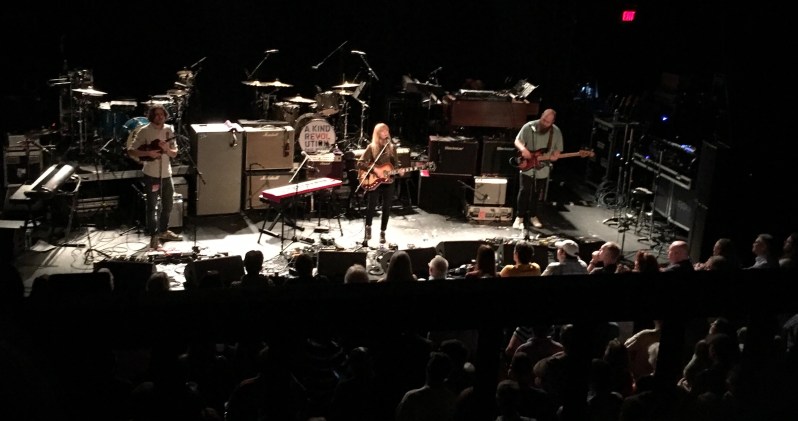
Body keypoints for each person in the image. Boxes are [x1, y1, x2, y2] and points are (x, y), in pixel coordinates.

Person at [127, 104, 181, 248]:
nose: (160, 117)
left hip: (166, 174)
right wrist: (148, 153)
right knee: (152, 207)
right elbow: (131, 150)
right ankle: (153, 235)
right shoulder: (144, 131)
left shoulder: (169, 130)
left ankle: (163, 230)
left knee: (168, 205)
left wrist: (167, 149)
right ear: (152, 116)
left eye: (162, 114)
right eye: (156, 114)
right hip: (151, 175)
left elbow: (174, 153)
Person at [512, 108, 563, 230]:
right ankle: (519, 217)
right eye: (543, 119)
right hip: (527, 164)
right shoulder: (529, 126)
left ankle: (533, 215)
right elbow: (517, 140)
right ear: (541, 116)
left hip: (542, 167)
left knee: (536, 193)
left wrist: (556, 155)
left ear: (552, 122)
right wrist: (523, 149)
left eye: (547, 122)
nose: (544, 123)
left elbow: (558, 150)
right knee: (524, 190)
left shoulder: (556, 132)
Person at [357, 122, 402, 245]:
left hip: (388, 181)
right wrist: (374, 169)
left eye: (387, 130)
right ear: (377, 134)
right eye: (383, 131)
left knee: (386, 207)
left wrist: (399, 171)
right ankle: (368, 228)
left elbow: (396, 165)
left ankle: (383, 232)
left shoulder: (392, 148)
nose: (386, 133)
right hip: (374, 180)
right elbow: (360, 163)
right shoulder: (371, 147)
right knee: (371, 205)